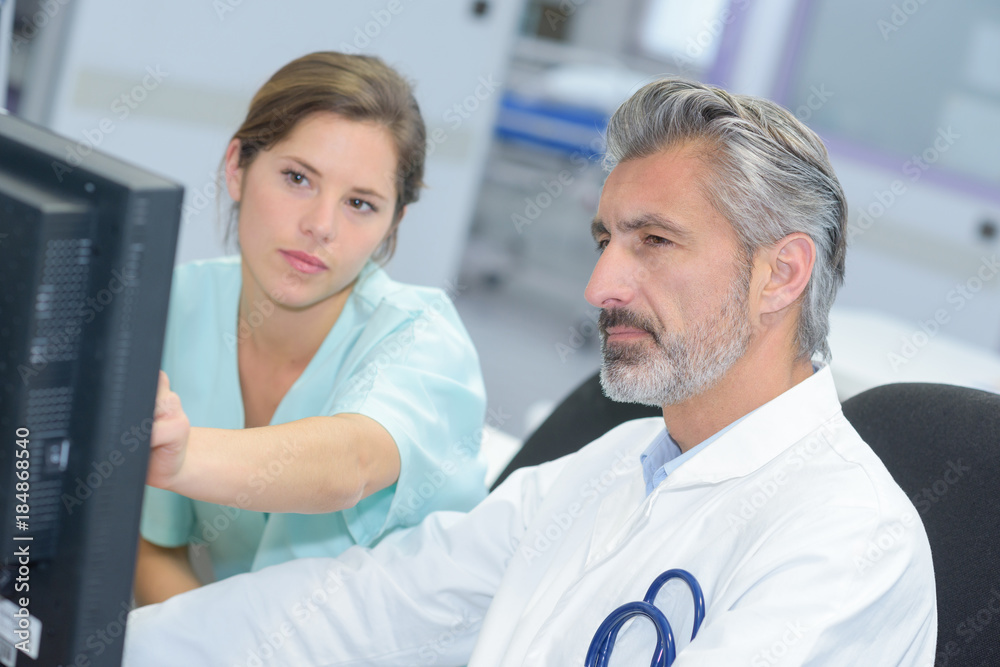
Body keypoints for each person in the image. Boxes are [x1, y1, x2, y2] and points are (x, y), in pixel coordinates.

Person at [123, 78, 936, 664]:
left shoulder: (846, 541)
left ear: (781, 274)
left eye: (654, 241)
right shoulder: (603, 471)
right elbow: (357, 610)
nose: (600, 286)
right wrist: (98, 645)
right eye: (605, 241)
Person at [134, 52, 489, 606]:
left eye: (360, 203)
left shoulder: (422, 338)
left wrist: (182, 458)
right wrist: (204, 644)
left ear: (392, 223)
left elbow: (351, 462)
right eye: (298, 178)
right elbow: (154, 542)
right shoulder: (179, 304)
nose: (321, 226)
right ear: (237, 168)